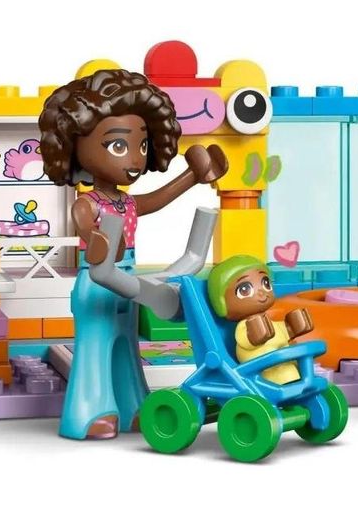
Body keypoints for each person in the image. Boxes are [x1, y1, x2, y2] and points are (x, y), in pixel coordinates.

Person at [39, 68, 227, 439]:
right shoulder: (88, 202)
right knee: (94, 347)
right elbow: (85, 227)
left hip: (127, 279)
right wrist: (97, 241)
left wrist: (193, 175)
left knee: (127, 346)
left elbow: (158, 199)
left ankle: (133, 407)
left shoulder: (126, 202)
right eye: (118, 146)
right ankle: (89, 414)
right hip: (97, 283)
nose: (135, 160)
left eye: (141, 146)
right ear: (76, 145)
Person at [207, 255, 313, 384]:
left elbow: (281, 332)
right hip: (264, 368)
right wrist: (256, 333)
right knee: (286, 373)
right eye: (244, 289)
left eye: (265, 283)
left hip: (281, 361)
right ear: (222, 303)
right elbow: (247, 340)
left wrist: (292, 327)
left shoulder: (269, 321)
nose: (261, 292)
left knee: (301, 366)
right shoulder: (244, 326)